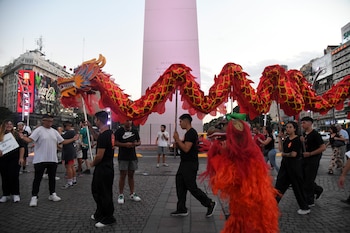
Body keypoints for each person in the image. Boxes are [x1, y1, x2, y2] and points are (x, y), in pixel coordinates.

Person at [20, 114, 79, 207]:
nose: (50, 123)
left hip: (52, 159)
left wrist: (73, 139)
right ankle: (34, 196)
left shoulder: (54, 132)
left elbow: (62, 141)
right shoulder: (38, 130)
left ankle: (52, 194)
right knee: (37, 179)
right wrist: (23, 137)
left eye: (51, 121)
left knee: (52, 178)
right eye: (48, 121)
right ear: (43, 121)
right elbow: (30, 140)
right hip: (40, 159)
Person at [171, 114, 216, 217]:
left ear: (186, 121)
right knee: (180, 183)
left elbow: (186, 148)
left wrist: (177, 139)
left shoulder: (191, 133)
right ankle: (181, 208)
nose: (180, 123)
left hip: (190, 164)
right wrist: (178, 142)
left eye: (181, 121)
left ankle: (209, 203)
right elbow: (185, 146)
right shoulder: (188, 133)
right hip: (184, 163)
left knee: (191, 187)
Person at [88, 111, 116, 228]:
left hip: (104, 168)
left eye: (95, 120)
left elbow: (99, 156)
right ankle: (100, 213)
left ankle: (108, 217)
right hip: (106, 168)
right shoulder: (108, 133)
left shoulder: (105, 135)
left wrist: (92, 163)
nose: (95, 122)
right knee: (97, 190)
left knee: (103, 193)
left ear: (98, 120)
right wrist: (90, 128)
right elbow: (98, 138)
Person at [275, 121, 310, 215]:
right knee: (279, 186)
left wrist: (284, 154)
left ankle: (304, 207)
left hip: (294, 167)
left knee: (298, 188)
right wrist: (279, 138)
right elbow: (281, 149)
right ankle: (273, 206)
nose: (288, 129)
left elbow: (293, 154)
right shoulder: (287, 139)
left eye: (290, 127)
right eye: (287, 127)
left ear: (295, 129)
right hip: (285, 166)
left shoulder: (298, 140)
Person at [300, 116, 326, 207]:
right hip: (304, 159)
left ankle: (310, 200)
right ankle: (318, 190)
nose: (302, 124)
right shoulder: (303, 134)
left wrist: (310, 153)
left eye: (304, 122)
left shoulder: (315, 134)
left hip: (313, 159)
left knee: (309, 179)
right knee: (303, 178)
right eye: (302, 123)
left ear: (310, 123)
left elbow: (323, 147)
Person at [114, 119, 141, 204]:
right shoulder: (119, 131)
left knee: (131, 175)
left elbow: (139, 141)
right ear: (123, 121)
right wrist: (125, 145)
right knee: (122, 175)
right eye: (126, 120)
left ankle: (132, 193)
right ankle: (121, 194)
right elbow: (114, 142)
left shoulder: (134, 131)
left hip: (132, 156)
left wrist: (134, 144)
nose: (128, 122)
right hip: (122, 156)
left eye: (130, 120)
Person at [0, 120, 25, 203]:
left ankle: (16, 193)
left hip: (15, 158)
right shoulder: (1, 135)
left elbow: (22, 147)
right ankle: (6, 194)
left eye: (10, 124)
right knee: (4, 176)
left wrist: (21, 158)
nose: (9, 125)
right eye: (7, 124)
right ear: (4, 125)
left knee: (14, 175)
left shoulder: (16, 135)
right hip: (3, 159)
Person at [61, 121, 77, 189]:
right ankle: (73, 179)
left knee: (68, 167)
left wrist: (59, 131)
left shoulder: (70, 132)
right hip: (71, 150)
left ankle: (69, 182)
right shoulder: (73, 132)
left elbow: (61, 138)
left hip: (68, 151)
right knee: (72, 166)